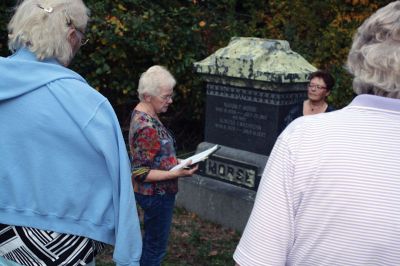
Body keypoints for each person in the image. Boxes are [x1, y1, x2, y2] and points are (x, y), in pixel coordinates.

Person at [234, 1, 400, 265]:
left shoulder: (304, 137)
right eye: (310, 85)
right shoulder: (298, 130)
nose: (313, 89)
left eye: (318, 86)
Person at [0, 0, 141, 265]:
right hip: (66, 245)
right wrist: (129, 258)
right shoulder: (88, 105)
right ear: (71, 35)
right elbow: (121, 183)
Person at [129, 65, 198, 266]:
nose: (170, 101)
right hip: (156, 195)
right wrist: (176, 173)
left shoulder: (143, 113)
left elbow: (154, 156)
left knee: (152, 244)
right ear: (148, 96)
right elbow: (140, 172)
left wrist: (177, 163)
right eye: (166, 97)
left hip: (156, 194)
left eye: (170, 95)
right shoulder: (146, 126)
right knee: (155, 248)